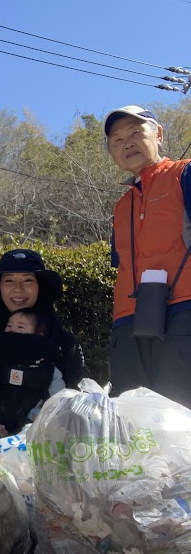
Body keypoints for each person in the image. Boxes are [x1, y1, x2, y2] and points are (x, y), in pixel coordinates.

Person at [104, 105, 191, 407]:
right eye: (116, 140)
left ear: (159, 135)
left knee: (179, 413)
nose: (126, 143)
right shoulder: (120, 206)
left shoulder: (185, 174)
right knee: (132, 417)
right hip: (127, 320)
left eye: (136, 133)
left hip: (182, 310)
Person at [0, 248, 84, 439]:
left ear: (40, 286)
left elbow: (68, 400)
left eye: (27, 280)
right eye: (9, 280)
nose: (18, 288)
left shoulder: (60, 339)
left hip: (37, 434)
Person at [0, 308, 66, 447]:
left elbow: (59, 392)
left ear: (38, 334)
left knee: (45, 416)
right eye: (9, 325)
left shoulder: (46, 367)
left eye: (20, 326)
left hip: (31, 409)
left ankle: (29, 434)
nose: (12, 329)